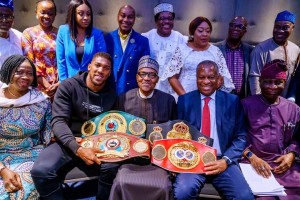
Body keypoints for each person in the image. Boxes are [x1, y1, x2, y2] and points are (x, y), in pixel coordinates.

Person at [30, 52, 117, 200]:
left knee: (112, 167)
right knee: (41, 171)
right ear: (89, 66)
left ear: (109, 73)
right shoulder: (69, 86)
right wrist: (77, 148)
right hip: (69, 141)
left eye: (106, 68)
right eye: (97, 65)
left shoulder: (111, 94)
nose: (100, 70)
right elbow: (58, 121)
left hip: (97, 144)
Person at [173, 60, 254, 200]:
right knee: (182, 193)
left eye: (211, 77)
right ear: (196, 78)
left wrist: (226, 161)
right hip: (192, 159)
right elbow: (176, 135)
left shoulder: (233, 101)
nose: (206, 81)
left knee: (244, 197)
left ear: (218, 79)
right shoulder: (184, 101)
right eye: (201, 77)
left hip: (222, 159)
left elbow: (240, 137)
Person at [110, 55, 177, 200]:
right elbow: (117, 133)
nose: (147, 78)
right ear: (137, 77)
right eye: (143, 74)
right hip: (130, 161)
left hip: (159, 162)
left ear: (157, 79)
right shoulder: (124, 98)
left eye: (152, 75)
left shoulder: (169, 101)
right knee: (121, 182)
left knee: (163, 186)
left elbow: (173, 136)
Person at [242, 59, 300, 199]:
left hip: (284, 166)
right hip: (253, 165)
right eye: (267, 81)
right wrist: (252, 157)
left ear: (284, 84)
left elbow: (297, 138)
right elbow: (235, 137)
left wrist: (291, 155)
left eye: (277, 82)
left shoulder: (294, 109)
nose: (272, 86)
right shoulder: (245, 105)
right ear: (260, 82)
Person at [0, 55, 52, 199]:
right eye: (19, 72)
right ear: (8, 71)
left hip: (31, 155)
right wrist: (3, 170)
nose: (25, 77)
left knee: (19, 190)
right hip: (1, 157)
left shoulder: (41, 101)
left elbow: (47, 137)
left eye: (30, 73)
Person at [163, 16, 234, 100]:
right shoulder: (182, 50)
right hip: (184, 97)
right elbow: (172, 77)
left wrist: (214, 87)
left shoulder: (215, 51)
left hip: (208, 99)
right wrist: (185, 97)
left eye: (208, 31)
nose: (204, 34)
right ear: (192, 32)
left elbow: (222, 76)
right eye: (200, 31)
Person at [249, 10, 300, 99]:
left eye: (285, 27)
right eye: (277, 27)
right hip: (264, 100)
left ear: (292, 28)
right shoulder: (261, 48)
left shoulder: (296, 49)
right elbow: (254, 76)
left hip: (285, 100)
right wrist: (258, 100)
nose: (280, 31)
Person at [142, 2, 188, 94]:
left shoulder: (180, 38)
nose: (166, 21)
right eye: (162, 18)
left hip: (172, 90)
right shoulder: (147, 37)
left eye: (170, 18)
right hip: (150, 87)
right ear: (156, 21)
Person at [56, 0, 106, 81]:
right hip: (69, 83)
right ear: (73, 14)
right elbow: (61, 62)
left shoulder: (97, 34)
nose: (86, 17)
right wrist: (64, 84)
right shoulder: (63, 31)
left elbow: (101, 62)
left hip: (90, 84)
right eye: (81, 13)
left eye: (88, 14)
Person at [105, 5, 150, 95]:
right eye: (123, 15)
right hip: (109, 91)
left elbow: (144, 70)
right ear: (118, 16)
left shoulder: (142, 41)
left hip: (132, 92)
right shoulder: (107, 38)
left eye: (130, 17)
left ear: (134, 20)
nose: (125, 20)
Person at [21, 0, 59, 99]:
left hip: (59, 84)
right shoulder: (29, 33)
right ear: (36, 12)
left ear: (55, 15)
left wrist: (59, 84)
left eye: (50, 13)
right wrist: (46, 85)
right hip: (37, 84)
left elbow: (65, 60)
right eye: (43, 12)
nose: (47, 16)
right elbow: (29, 62)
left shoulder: (60, 33)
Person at [215, 16, 254, 98]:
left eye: (240, 27)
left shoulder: (250, 51)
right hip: (221, 97)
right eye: (233, 25)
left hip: (242, 99)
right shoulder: (216, 48)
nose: (235, 28)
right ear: (229, 28)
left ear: (245, 31)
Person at [0, 0, 22, 69]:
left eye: (8, 16)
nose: (4, 20)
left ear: (13, 19)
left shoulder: (19, 36)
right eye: (0, 16)